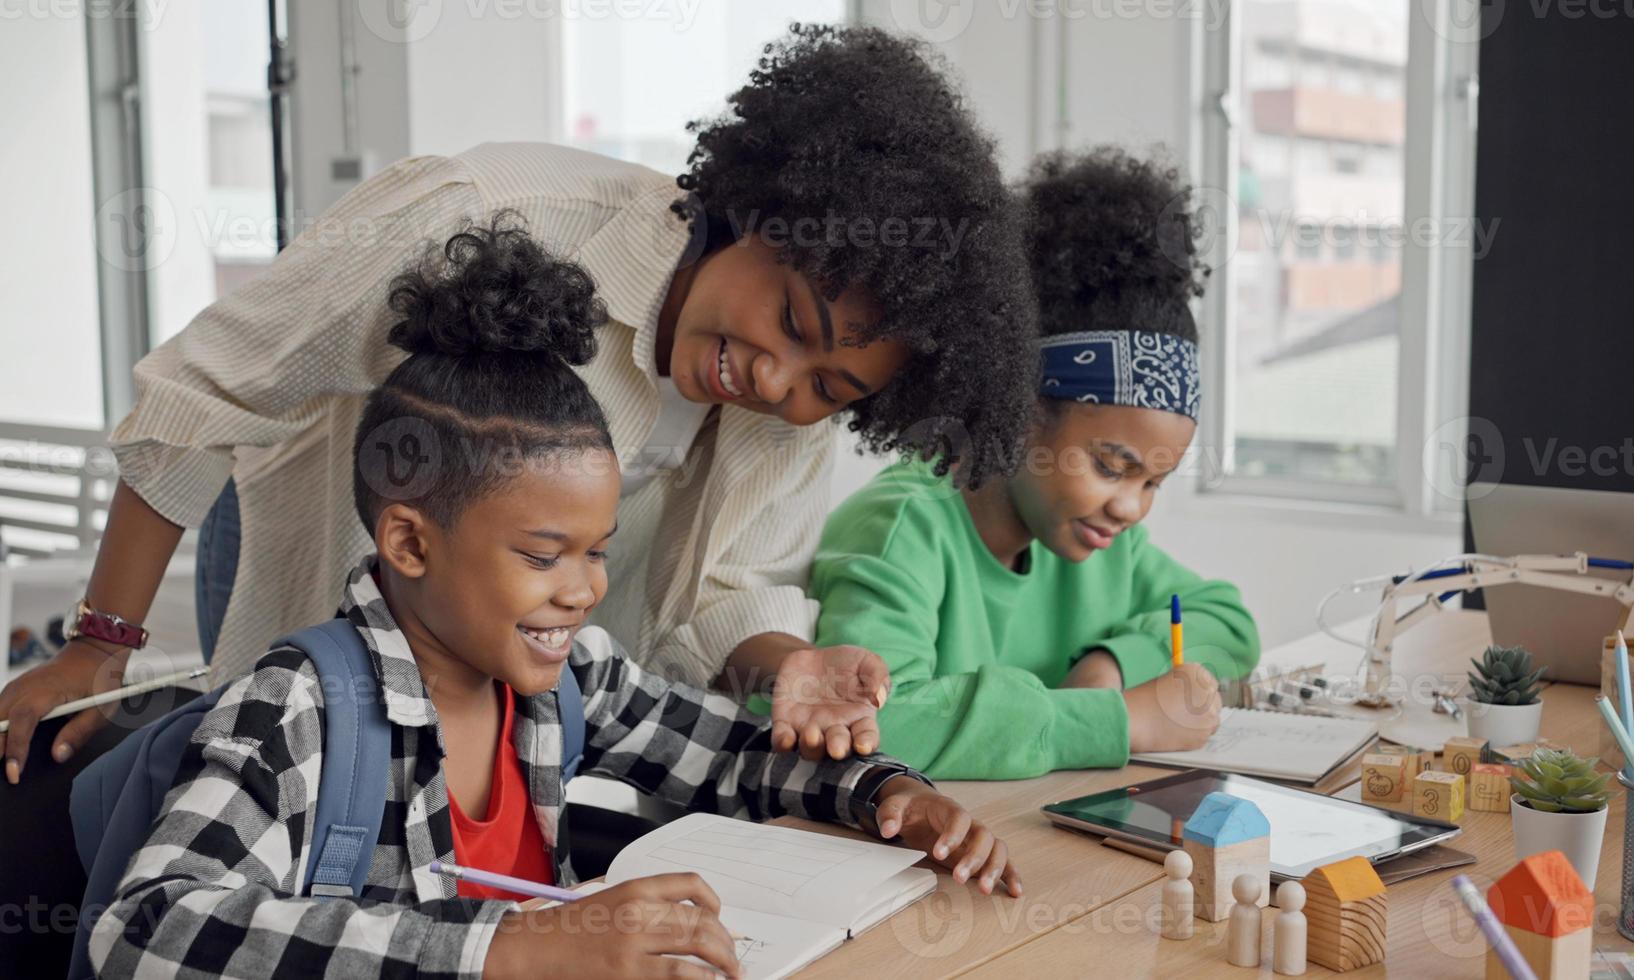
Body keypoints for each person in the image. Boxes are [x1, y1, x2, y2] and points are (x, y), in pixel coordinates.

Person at [0, 24, 1039, 781]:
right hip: (324, 556)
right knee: (293, 788)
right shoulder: (489, 213)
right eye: (790, 319)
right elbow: (212, 386)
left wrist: (788, 664)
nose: (776, 381)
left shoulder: (786, 414)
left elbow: (728, 588)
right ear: (762, 212)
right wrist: (101, 639)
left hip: (510, 680)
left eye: (830, 387)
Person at [88, 223, 1022, 980]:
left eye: (597, 552)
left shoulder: (571, 678)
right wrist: (511, 946)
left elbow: (737, 762)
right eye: (544, 556)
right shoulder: (299, 705)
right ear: (410, 541)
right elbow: (145, 931)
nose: (584, 590)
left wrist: (893, 797)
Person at [806, 147, 1261, 780]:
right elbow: (872, 725)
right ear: (1019, 408)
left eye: (1153, 481)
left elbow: (1229, 622)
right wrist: (1115, 719)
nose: (1130, 508)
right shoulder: (902, 527)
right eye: (1111, 465)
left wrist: (1113, 664)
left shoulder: (1104, 546)